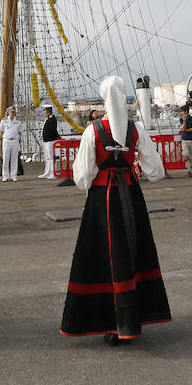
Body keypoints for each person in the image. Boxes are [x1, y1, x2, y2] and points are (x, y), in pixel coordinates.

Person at [61, 75, 170, 345]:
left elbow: (83, 176)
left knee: (102, 256)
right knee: (132, 252)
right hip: (130, 195)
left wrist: (95, 177)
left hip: (102, 199)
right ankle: (132, 320)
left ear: (102, 99)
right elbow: (156, 171)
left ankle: (110, 322)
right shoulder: (136, 130)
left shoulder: (93, 130)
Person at [0, 108, 23, 181]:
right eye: (11, 112)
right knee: (5, 158)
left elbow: (20, 132)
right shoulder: (4, 120)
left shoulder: (18, 121)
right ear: (8, 112)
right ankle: (5, 176)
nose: (12, 113)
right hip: (6, 140)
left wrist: (16, 138)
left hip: (15, 140)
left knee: (14, 159)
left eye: (13, 112)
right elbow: (1, 131)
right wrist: (4, 139)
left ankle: (13, 175)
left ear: (15, 113)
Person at [178, 104, 192, 176]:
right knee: (186, 154)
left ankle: (189, 171)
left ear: (186, 111)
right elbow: (183, 128)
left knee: (190, 155)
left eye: (182, 111)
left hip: (191, 138)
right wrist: (184, 122)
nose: (181, 113)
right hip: (184, 138)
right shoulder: (181, 119)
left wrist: (185, 130)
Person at [39, 105, 59, 179]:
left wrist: (56, 136)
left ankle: (53, 173)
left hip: (51, 140)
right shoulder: (48, 118)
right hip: (47, 141)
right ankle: (47, 172)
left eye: (45, 110)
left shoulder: (52, 119)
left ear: (48, 111)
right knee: (47, 157)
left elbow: (53, 130)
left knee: (51, 157)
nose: (44, 112)